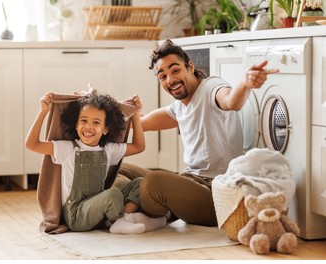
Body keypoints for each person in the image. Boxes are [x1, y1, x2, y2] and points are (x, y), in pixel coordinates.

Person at [116, 38, 279, 226]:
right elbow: (142, 124)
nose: (171, 80)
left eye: (175, 70)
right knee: (120, 168)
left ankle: (156, 214)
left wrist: (245, 84)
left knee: (153, 182)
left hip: (217, 192)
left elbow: (231, 102)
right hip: (191, 181)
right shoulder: (179, 107)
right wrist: (99, 117)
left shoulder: (211, 88)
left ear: (190, 67)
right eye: (163, 76)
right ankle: (156, 211)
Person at [25, 92, 166, 234]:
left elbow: (138, 146)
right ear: (75, 124)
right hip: (76, 215)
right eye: (83, 120)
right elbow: (32, 144)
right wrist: (43, 112)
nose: (88, 127)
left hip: (100, 206)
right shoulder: (66, 148)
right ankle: (120, 221)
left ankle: (124, 219)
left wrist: (135, 116)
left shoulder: (108, 149)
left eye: (96, 122)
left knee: (140, 182)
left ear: (105, 129)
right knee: (113, 194)